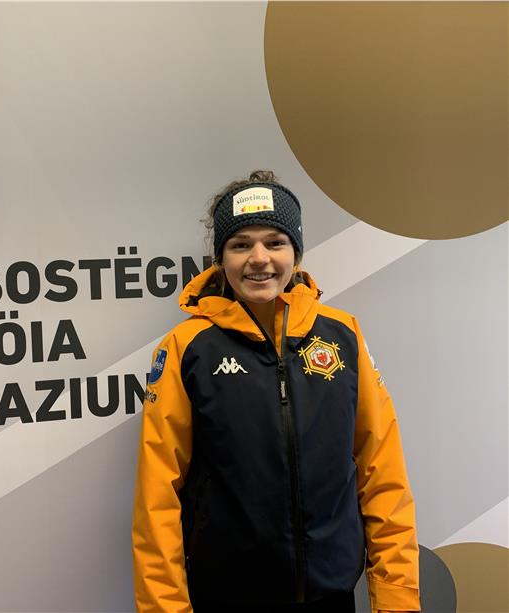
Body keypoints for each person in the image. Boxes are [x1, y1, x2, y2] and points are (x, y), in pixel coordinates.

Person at [131, 171, 420, 612]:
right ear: (220, 258)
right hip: (227, 596)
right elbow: (157, 495)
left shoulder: (342, 335)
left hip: (330, 595)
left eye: (275, 242)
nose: (259, 258)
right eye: (240, 244)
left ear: (296, 253)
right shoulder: (189, 349)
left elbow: (382, 471)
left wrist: (397, 600)